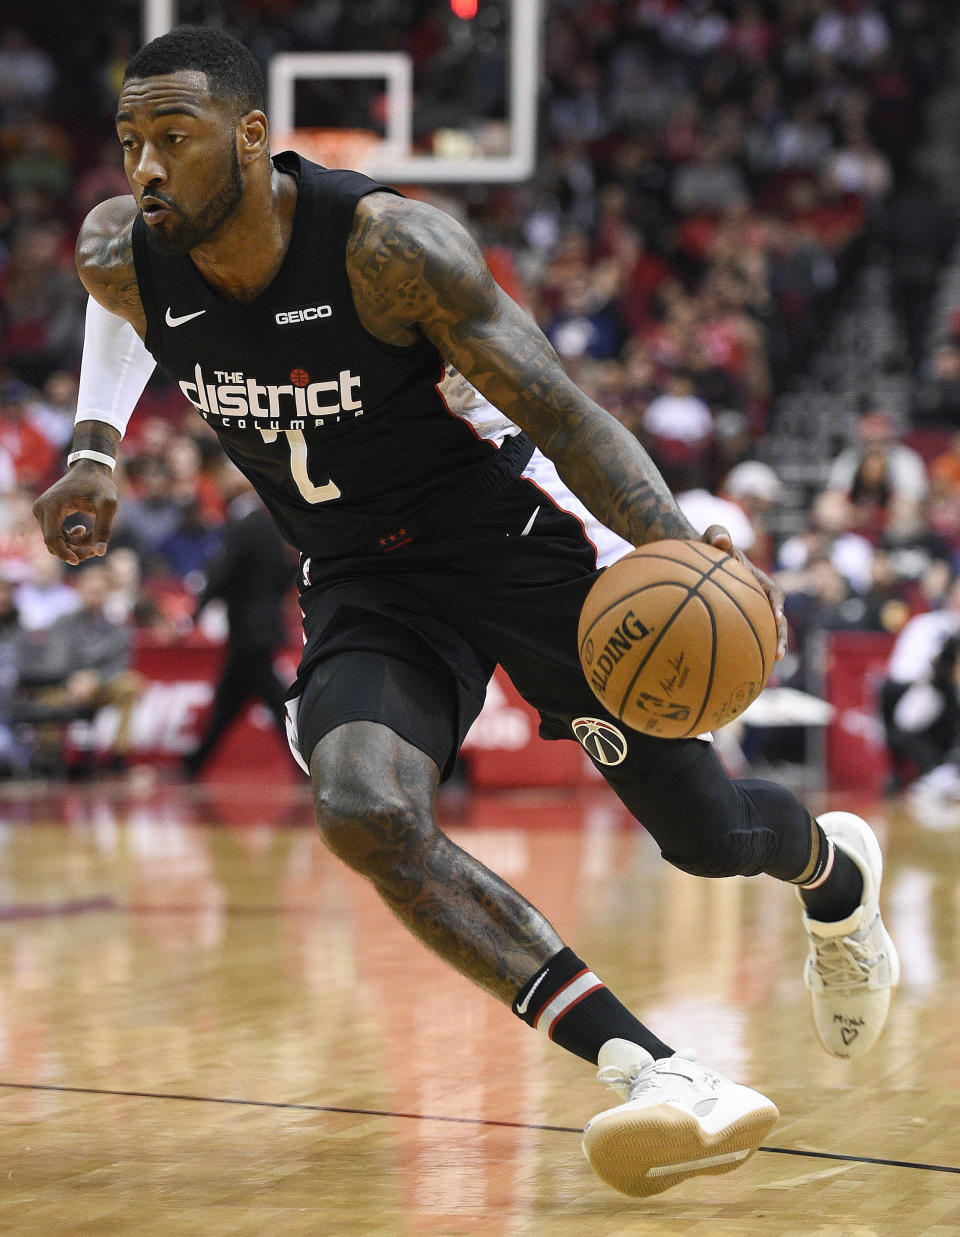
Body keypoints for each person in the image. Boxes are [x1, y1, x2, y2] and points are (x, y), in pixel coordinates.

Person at [32, 27, 898, 1199]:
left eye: (172, 138)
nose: (143, 166)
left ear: (250, 136)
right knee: (361, 807)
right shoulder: (124, 251)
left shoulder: (390, 247)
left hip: (512, 538)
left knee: (702, 836)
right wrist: (93, 446)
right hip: (358, 574)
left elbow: (565, 415)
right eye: (131, 141)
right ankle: (656, 1072)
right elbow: (115, 290)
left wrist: (682, 551)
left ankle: (833, 876)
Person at [182, 460, 297, 776]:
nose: (220, 484)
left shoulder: (243, 523)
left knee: (274, 701)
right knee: (229, 702)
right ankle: (194, 764)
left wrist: (196, 611)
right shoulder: (270, 524)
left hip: (250, 628)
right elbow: (286, 573)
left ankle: (307, 762)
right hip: (261, 625)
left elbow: (222, 572)